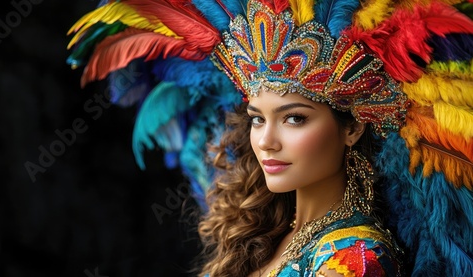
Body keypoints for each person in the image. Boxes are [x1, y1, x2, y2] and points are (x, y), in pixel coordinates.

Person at [66, 0, 473, 276]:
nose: (266, 141)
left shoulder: (357, 257)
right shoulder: (266, 233)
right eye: (257, 119)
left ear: (351, 128)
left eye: (294, 119)